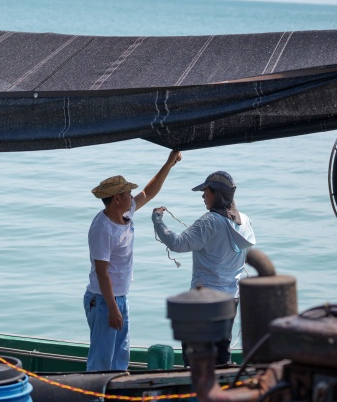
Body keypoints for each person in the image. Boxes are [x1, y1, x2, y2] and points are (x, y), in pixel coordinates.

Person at [84, 150, 182, 371]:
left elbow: (149, 191)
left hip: (119, 297)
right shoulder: (103, 228)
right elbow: (102, 272)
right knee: (101, 362)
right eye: (128, 193)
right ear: (117, 198)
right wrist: (112, 309)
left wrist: (169, 163)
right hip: (103, 300)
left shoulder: (125, 213)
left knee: (119, 359)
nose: (132, 196)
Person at [152, 171, 255, 365]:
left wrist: (157, 221)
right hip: (230, 300)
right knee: (222, 355)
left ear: (216, 194)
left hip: (203, 302)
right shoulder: (245, 222)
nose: (202, 196)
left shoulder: (209, 222)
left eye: (206, 192)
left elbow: (176, 243)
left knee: (195, 358)